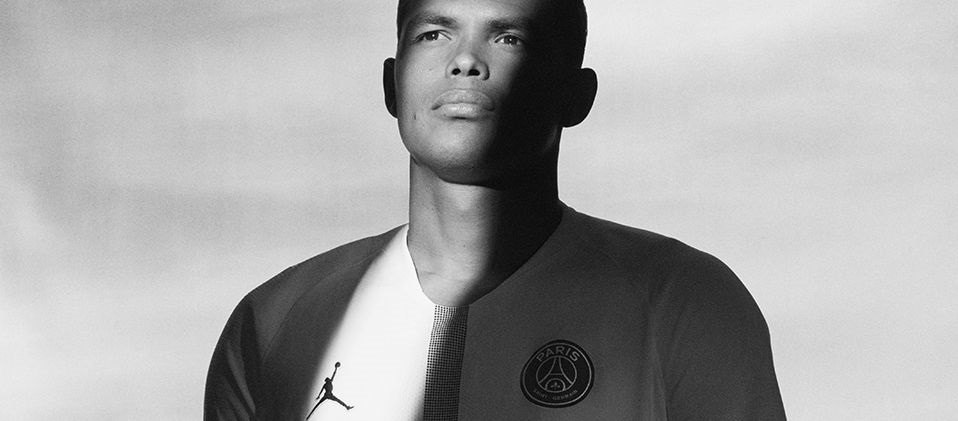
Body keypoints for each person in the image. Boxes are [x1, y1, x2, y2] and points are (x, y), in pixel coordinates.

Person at [204, 0, 787, 419]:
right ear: (391, 84)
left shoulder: (682, 301)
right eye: (434, 33)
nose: (465, 61)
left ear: (576, 95)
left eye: (509, 38)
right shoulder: (275, 322)